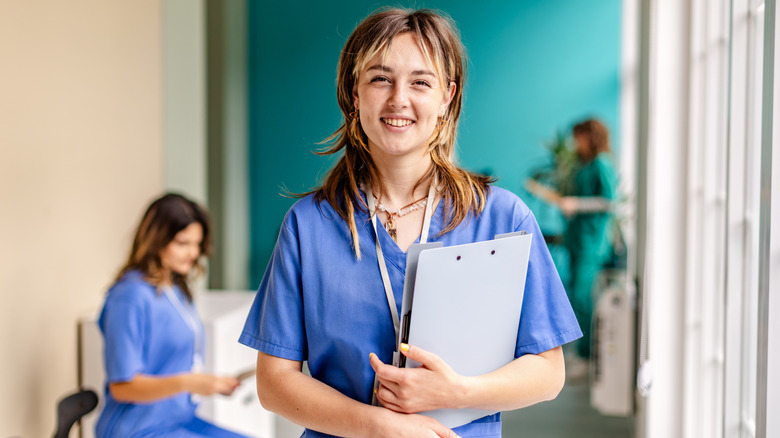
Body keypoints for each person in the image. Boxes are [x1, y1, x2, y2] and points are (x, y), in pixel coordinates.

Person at [239, 8, 582, 438]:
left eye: (421, 82)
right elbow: (274, 383)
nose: (399, 98)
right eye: (380, 78)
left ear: (447, 97)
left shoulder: (503, 218)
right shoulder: (308, 226)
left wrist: (457, 392)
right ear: (354, 92)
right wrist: (377, 426)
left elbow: (548, 373)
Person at [96, 193, 248, 438]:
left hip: (179, 420)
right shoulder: (130, 297)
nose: (193, 253)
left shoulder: (175, 290)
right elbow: (123, 387)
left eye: (197, 244)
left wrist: (211, 383)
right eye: (182, 243)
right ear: (156, 239)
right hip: (138, 430)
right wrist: (191, 382)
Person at [526, 118, 618, 365]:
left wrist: (577, 204)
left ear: (590, 137)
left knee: (582, 296)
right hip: (578, 239)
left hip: (592, 243)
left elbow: (609, 201)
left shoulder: (601, 164)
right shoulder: (582, 165)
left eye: (578, 137)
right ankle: (581, 354)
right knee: (576, 294)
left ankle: (586, 357)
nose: (574, 143)